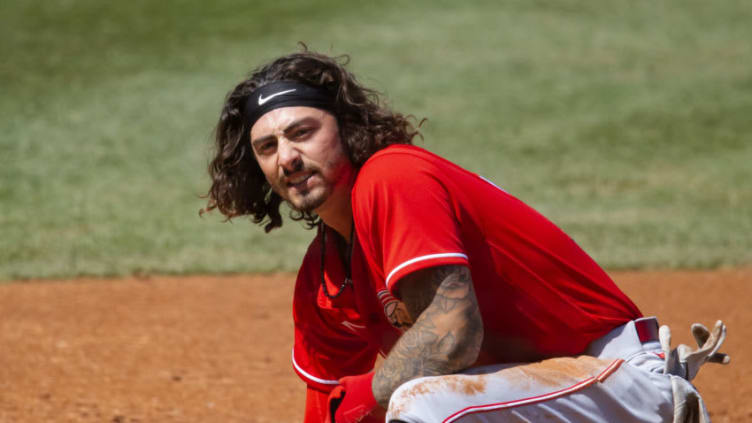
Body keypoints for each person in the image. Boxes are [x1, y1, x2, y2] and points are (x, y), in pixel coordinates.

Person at [203, 48, 729, 423]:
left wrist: (367, 394)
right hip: (520, 398)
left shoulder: (393, 178)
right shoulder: (322, 279)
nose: (288, 158)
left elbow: (454, 333)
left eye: (301, 132)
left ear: (345, 128)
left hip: (612, 380)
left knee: (419, 404)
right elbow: (328, 409)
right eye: (267, 147)